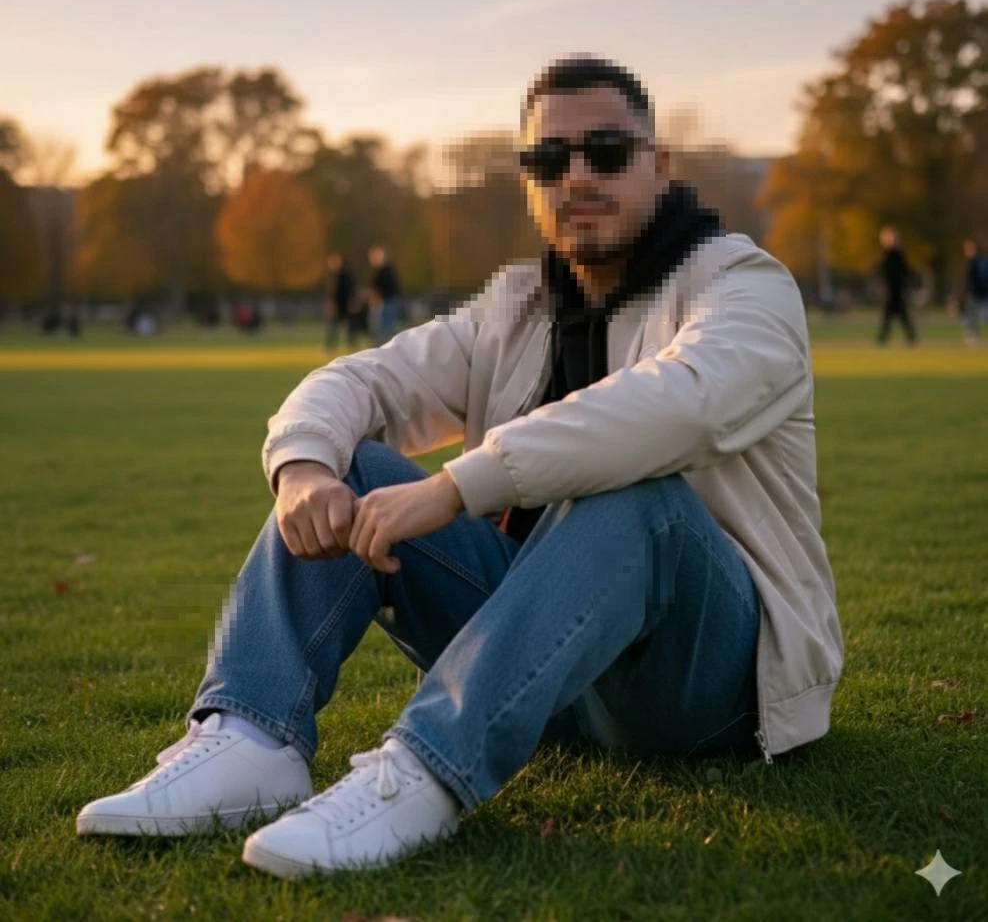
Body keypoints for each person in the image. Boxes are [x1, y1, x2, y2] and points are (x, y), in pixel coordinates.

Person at [76, 56, 842, 879]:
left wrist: (456, 485)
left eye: (608, 152)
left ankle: (423, 770)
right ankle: (251, 736)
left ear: (659, 166)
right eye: (549, 160)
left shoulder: (743, 284)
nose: (577, 175)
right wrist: (301, 467)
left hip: (704, 682)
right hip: (550, 671)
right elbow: (361, 380)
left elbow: (677, 404)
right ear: (528, 184)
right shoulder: (517, 309)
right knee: (358, 466)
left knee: (640, 496)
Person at [874, 227, 917, 344]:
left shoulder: (898, 254)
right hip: (889, 289)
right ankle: (884, 337)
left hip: (897, 289)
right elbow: (881, 271)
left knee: (899, 315)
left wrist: (906, 287)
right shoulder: (885, 254)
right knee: (890, 315)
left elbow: (905, 272)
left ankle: (908, 337)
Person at [368, 245, 401, 344]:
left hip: (384, 302)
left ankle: (383, 345)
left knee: (384, 327)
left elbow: (377, 288)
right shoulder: (387, 271)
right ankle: (384, 345)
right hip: (387, 301)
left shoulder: (384, 272)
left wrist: (375, 299)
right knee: (385, 327)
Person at [323, 253, 356, 350]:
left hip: (344, 305)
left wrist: (352, 302)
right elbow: (329, 293)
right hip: (336, 305)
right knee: (332, 327)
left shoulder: (345, 275)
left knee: (348, 327)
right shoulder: (332, 275)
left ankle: (350, 344)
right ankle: (330, 345)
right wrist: (329, 304)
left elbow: (351, 290)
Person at [962, 238, 988, 345]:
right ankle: (972, 335)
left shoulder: (973, 262)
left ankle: (972, 336)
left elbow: (970, 280)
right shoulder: (983, 261)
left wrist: (966, 292)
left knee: (973, 315)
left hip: (976, 293)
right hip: (983, 292)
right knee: (978, 315)